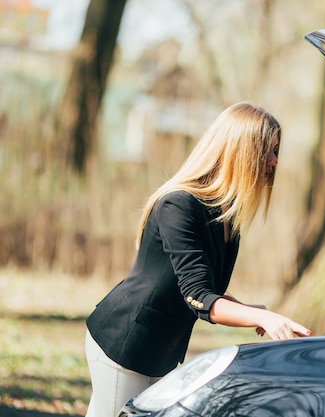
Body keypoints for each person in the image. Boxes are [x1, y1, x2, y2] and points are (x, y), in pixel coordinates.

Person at [84, 102, 312, 417]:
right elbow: (200, 298)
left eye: (276, 151)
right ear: (239, 151)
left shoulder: (226, 216)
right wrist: (263, 319)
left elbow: (203, 288)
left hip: (160, 350)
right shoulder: (178, 205)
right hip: (125, 343)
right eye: (267, 151)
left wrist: (250, 312)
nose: (274, 161)